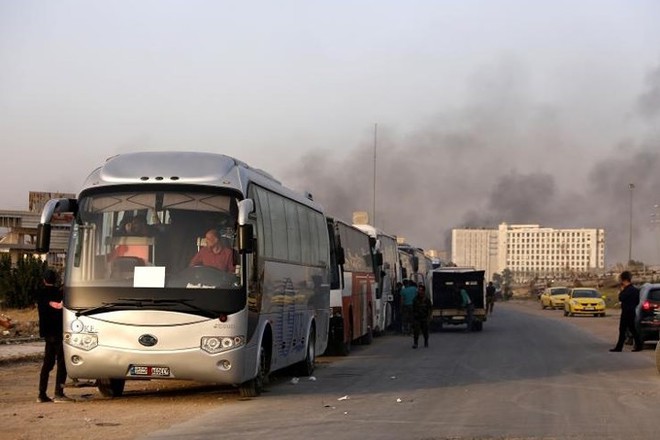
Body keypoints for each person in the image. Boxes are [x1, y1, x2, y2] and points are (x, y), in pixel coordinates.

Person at [36, 269, 73, 403]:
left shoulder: (40, 294)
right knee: (62, 363)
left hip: (47, 334)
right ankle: (59, 392)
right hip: (58, 332)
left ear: (44, 280)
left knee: (47, 364)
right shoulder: (59, 293)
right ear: (55, 280)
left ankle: (41, 394)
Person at [610, 270, 643, 352]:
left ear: (624, 280)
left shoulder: (626, 290)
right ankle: (639, 345)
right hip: (632, 312)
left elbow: (621, 298)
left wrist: (621, 290)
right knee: (632, 329)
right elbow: (637, 301)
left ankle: (619, 347)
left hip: (626, 312)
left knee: (622, 329)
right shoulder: (636, 290)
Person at [411, 284, 433, 348]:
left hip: (424, 317)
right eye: (419, 290)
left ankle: (426, 342)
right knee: (416, 331)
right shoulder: (415, 299)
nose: (419, 291)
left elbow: (430, 308)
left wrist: (429, 316)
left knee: (425, 331)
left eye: (421, 290)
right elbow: (413, 308)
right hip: (417, 318)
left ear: (423, 291)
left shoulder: (427, 300)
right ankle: (415, 343)